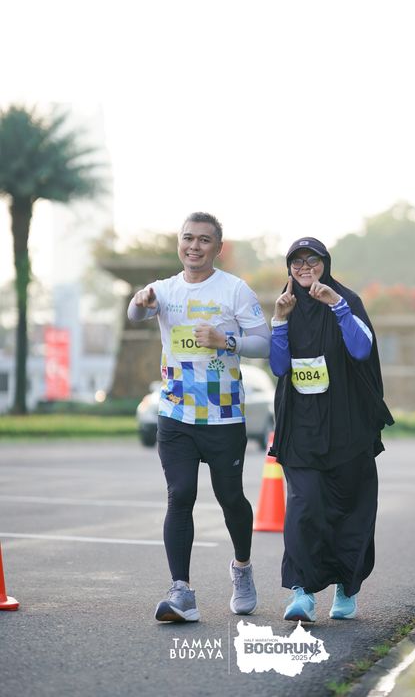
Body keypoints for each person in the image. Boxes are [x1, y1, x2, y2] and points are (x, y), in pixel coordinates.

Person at [128, 212, 270, 622]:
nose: (194, 246)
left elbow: (264, 343)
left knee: (230, 498)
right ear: (180, 243)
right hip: (175, 414)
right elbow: (136, 315)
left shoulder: (234, 290)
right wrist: (139, 302)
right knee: (180, 495)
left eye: (204, 240)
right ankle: (181, 592)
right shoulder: (164, 290)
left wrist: (226, 340)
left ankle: (242, 568)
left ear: (217, 248)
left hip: (223, 416)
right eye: (188, 238)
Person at [269, 237, 393, 623]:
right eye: (297, 261)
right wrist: (279, 320)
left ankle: (346, 587)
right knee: (305, 505)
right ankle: (302, 592)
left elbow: (361, 350)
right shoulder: (286, 304)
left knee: (351, 509)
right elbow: (279, 367)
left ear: (325, 263)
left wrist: (336, 305)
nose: (304, 267)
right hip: (301, 425)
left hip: (347, 426)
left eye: (313, 260)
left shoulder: (347, 300)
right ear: (289, 267)